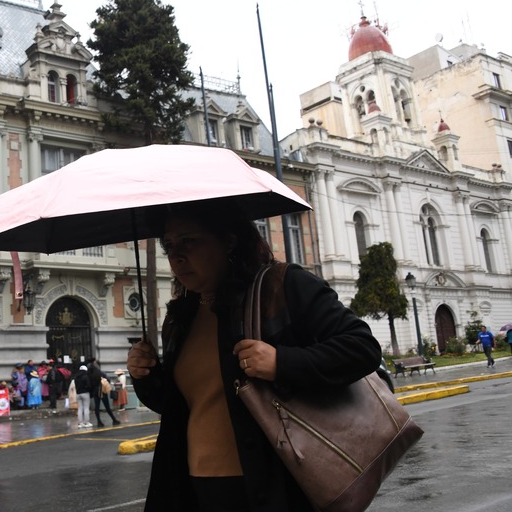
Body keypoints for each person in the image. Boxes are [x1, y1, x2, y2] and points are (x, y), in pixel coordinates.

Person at [128, 201, 381, 511]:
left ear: (228, 240)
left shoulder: (281, 286)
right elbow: (179, 406)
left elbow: (362, 347)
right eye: (169, 245)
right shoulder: (181, 317)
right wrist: (146, 375)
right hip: (195, 487)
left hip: (272, 485)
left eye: (188, 240)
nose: (176, 255)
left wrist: (281, 362)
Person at [87, 357, 120, 427]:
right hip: (101, 389)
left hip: (95, 391)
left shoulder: (89, 373)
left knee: (97, 406)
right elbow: (107, 379)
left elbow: (89, 384)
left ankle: (99, 422)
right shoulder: (98, 371)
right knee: (107, 406)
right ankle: (114, 420)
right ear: (94, 362)